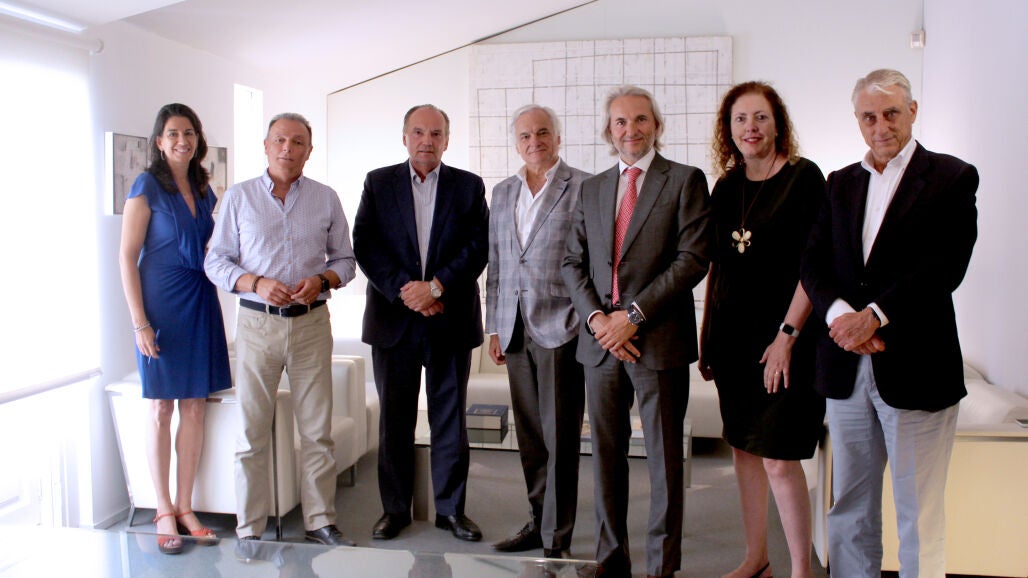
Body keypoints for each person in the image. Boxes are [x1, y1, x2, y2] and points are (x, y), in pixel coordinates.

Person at [800, 69, 979, 578]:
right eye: (869, 117)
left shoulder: (952, 177)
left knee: (917, 513)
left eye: (891, 113)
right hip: (845, 367)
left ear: (912, 111)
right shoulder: (839, 183)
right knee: (849, 506)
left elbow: (945, 266)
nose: (881, 127)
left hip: (917, 366)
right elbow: (812, 263)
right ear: (857, 120)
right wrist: (843, 320)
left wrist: (874, 316)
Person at [562, 85, 713, 578]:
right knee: (606, 457)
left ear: (657, 125)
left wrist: (632, 316)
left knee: (664, 462)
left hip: (658, 341)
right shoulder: (592, 188)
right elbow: (572, 263)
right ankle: (611, 560)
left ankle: (662, 569)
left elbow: (692, 259)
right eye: (621, 122)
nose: (631, 129)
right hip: (601, 346)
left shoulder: (685, 180)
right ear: (609, 131)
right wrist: (598, 320)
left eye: (641, 119)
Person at [204, 112, 357, 546]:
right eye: (280, 141)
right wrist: (255, 283)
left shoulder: (325, 198)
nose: (288, 149)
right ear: (266, 146)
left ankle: (320, 521)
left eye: (297, 142)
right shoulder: (238, 197)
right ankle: (250, 529)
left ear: (309, 150)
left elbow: (346, 261)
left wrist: (322, 281)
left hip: (311, 326)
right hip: (257, 326)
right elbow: (215, 261)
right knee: (251, 433)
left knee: (317, 431)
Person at [698, 82, 826, 578]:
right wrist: (707, 336)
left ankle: (800, 570)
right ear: (728, 130)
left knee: (778, 459)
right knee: (744, 451)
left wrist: (786, 337)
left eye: (760, 117)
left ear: (777, 124)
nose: (750, 127)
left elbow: (814, 269)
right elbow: (719, 268)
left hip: (786, 340)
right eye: (740, 119)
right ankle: (757, 559)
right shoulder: (727, 187)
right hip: (733, 342)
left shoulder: (804, 178)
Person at [353, 104, 489, 542]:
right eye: (418, 132)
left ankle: (451, 511)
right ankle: (395, 510)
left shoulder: (469, 186)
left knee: (450, 420)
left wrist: (436, 287)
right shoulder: (378, 183)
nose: (426, 141)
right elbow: (365, 244)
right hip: (394, 323)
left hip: (450, 319)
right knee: (394, 421)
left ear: (447, 140)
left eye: (435, 133)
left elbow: (478, 246)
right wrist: (406, 292)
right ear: (405, 137)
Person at [118, 103, 232, 554]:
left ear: (197, 139)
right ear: (159, 141)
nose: (182, 140)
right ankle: (163, 509)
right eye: (173, 133)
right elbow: (127, 257)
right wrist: (139, 323)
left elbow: (218, 247)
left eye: (189, 132)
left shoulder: (205, 188)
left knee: (196, 407)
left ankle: (186, 507)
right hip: (160, 307)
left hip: (201, 301)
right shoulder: (146, 185)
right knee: (161, 408)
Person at [485, 105, 588, 558]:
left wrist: (586, 318)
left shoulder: (583, 186)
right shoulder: (502, 191)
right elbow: (497, 261)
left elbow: (591, 260)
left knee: (560, 436)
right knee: (529, 435)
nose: (534, 142)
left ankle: (557, 539)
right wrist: (494, 326)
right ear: (516, 142)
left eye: (543, 132)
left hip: (561, 326)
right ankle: (538, 520)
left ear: (557, 138)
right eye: (525, 135)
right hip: (514, 327)